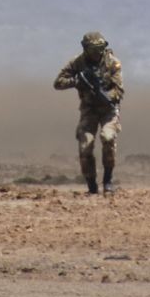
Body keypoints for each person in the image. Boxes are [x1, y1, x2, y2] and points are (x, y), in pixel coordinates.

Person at [53, 31, 124, 195]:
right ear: (85, 48)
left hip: (109, 110)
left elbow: (119, 90)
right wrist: (78, 80)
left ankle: (107, 180)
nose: (97, 53)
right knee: (85, 145)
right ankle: (91, 185)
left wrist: (107, 95)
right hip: (89, 109)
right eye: (93, 49)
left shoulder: (113, 63)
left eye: (100, 48)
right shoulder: (77, 63)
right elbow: (58, 83)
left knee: (108, 137)